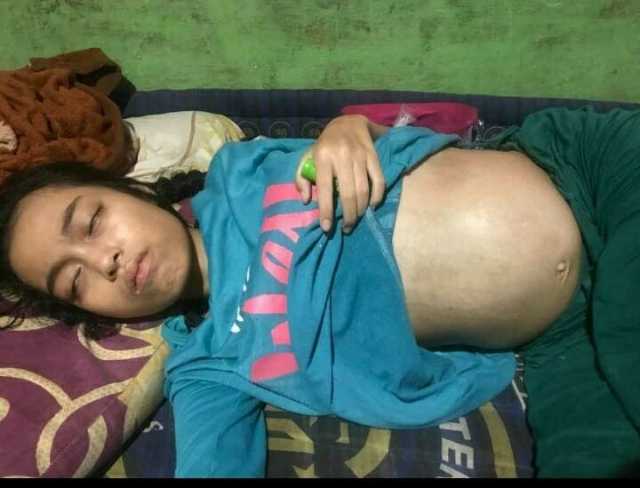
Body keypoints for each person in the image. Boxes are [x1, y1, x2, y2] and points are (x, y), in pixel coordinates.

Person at [1, 107, 636, 478]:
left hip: (590, 172)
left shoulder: (238, 170)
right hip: (558, 341)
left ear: (135, 190)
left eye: (91, 223)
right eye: (75, 281)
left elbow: (373, 142)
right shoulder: (207, 363)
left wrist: (348, 126)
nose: (105, 261)